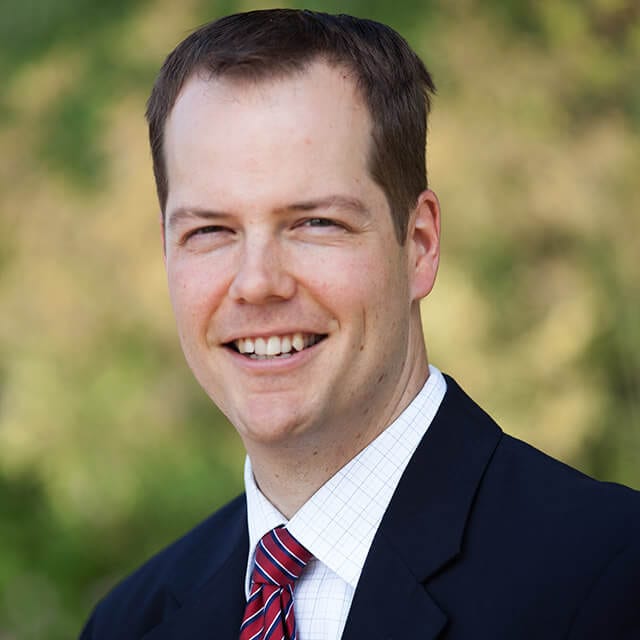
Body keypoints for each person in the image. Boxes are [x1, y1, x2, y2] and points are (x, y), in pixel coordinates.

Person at [79, 9, 640, 640]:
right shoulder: (130, 623)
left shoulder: (611, 577)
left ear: (420, 244)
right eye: (210, 231)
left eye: (315, 223)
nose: (257, 282)